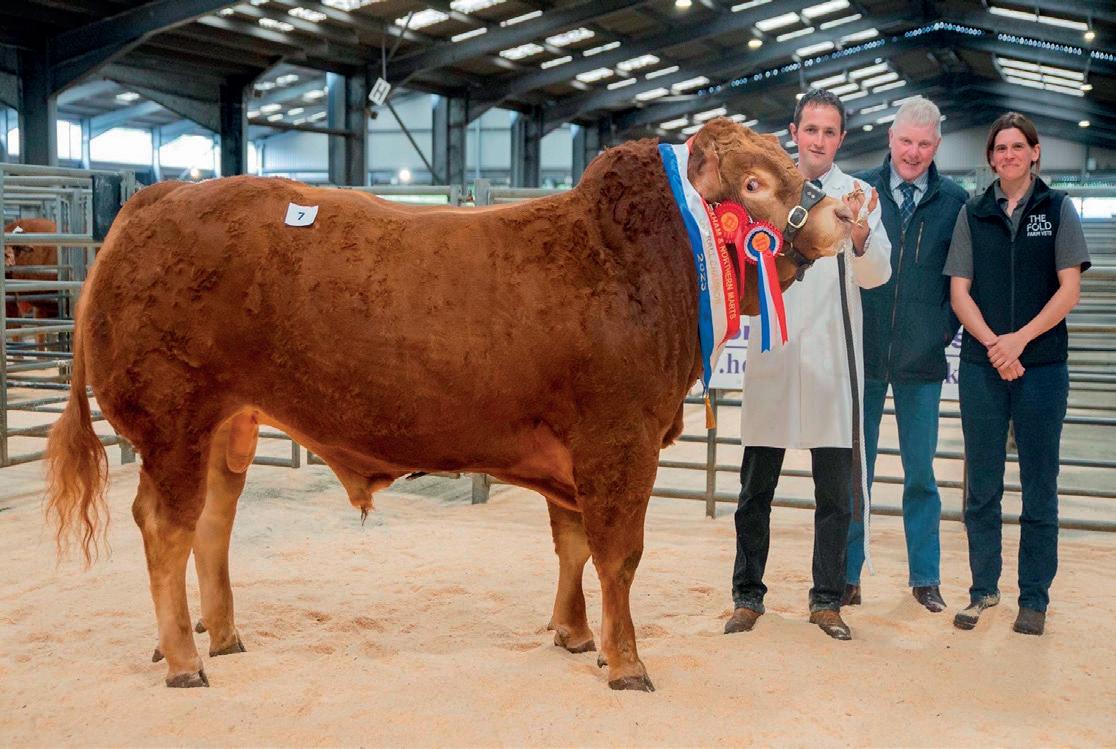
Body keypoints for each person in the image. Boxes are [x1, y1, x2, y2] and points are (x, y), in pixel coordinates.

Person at [725, 89, 891, 641]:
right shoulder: (765, 191)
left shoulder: (859, 196)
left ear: (841, 138)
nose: (819, 140)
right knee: (755, 491)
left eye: (829, 131)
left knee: (834, 495)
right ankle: (747, 595)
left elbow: (878, 276)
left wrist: (861, 240)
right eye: (811, 129)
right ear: (794, 132)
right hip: (773, 354)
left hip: (830, 360)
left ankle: (826, 601)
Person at [944, 112, 1090, 636]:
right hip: (983, 366)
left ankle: (1034, 598)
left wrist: (1019, 340)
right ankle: (983, 590)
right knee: (981, 487)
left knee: (1039, 486)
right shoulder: (972, 213)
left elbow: (1069, 290)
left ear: (1034, 152)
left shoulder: (1058, 208)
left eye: (1016, 147)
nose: (1008, 155)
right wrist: (994, 345)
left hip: (1042, 367)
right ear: (990, 158)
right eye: (999, 148)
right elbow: (959, 292)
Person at [845, 97, 968, 612]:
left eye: (924, 144)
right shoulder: (859, 192)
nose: (913, 153)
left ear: (936, 146)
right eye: (905, 141)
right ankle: (847, 575)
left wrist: (939, 332)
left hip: (922, 361)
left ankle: (925, 577)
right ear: (890, 139)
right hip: (865, 355)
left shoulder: (955, 202)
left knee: (921, 474)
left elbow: (961, 278)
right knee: (858, 471)